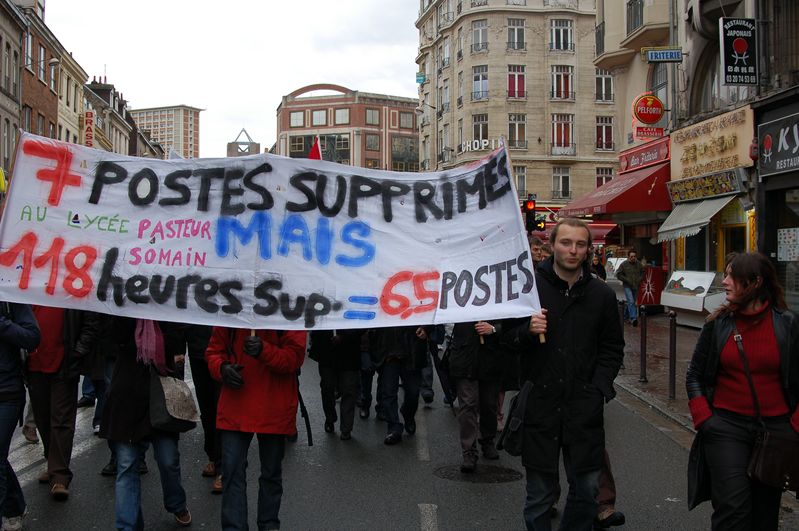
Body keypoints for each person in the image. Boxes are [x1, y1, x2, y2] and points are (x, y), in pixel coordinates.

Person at [503, 217, 624, 531]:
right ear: (552, 245)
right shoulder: (527, 289)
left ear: (588, 250)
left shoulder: (601, 296)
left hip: (583, 409)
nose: (573, 250)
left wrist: (599, 387)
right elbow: (505, 341)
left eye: (580, 244)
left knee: (586, 490)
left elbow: (612, 347)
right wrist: (526, 331)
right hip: (541, 407)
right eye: (566, 243)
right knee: (541, 495)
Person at [686, 252, 799, 530]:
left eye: (730, 276)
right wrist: (706, 420)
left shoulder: (787, 324)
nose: (723, 282)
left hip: (776, 433)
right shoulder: (718, 323)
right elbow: (694, 375)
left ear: (755, 282)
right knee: (732, 508)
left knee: (764, 512)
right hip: (726, 428)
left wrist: (795, 424)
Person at [205, 326, 306, 531]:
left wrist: (263, 350)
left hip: (273, 404)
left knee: (270, 474)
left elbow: (294, 357)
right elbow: (214, 351)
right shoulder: (232, 307)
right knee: (232, 472)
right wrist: (222, 368)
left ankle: (268, 525)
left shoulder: (288, 308)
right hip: (237, 404)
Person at [99, 317, 192, 530]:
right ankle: (127, 525)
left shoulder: (168, 312)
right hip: (127, 397)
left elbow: (178, 340)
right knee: (126, 465)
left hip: (160, 396)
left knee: (168, 459)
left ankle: (176, 503)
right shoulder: (123, 310)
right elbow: (112, 337)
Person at [27, 306, 103, 500]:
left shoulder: (72, 280)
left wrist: (78, 352)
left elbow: (90, 320)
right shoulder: (28, 279)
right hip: (34, 362)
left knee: (61, 419)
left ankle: (60, 475)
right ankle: (52, 462)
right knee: (42, 417)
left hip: (65, 361)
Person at [0, 301, 40, 531]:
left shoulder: (9, 297)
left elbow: (32, 337)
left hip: (6, 391)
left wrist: (2, 324)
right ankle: (14, 507)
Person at [448, 321, 504, 472]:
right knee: (468, 404)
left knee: (489, 404)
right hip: (464, 357)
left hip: (490, 358)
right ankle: (469, 452)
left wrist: (493, 329)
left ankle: (487, 440)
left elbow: (510, 320)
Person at [369, 326, 429, 445]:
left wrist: (426, 329)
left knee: (413, 392)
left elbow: (428, 310)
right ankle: (394, 427)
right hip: (388, 352)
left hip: (411, 350)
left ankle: (408, 413)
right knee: (388, 392)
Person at [309, 329, 362, 440]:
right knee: (327, 388)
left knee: (349, 390)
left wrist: (344, 337)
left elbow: (360, 325)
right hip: (327, 352)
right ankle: (330, 418)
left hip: (349, 353)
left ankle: (346, 428)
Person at [615, 250, 643, 326]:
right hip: (627, 285)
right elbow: (618, 274)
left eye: (634, 256)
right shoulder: (624, 264)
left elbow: (642, 273)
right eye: (631, 256)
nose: (633, 258)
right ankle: (633, 318)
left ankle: (625, 317)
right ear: (628, 257)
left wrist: (639, 279)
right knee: (631, 301)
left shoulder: (639, 264)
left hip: (636, 285)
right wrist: (626, 280)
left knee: (632, 302)